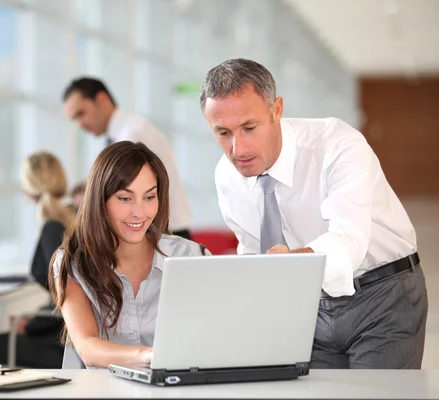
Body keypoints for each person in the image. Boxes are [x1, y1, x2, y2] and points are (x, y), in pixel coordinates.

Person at [199, 58, 428, 369]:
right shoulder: (227, 176)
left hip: (383, 295)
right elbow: (253, 251)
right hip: (309, 305)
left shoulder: (337, 144)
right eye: (222, 133)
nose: (238, 149)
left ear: (276, 110)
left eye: (249, 128)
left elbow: (349, 240)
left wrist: (293, 263)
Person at [48, 141, 210, 369]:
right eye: (125, 198)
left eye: (149, 197)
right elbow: (87, 346)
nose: (139, 212)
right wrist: (149, 356)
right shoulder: (73, 262)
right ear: (100, 200)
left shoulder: (191, 257)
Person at [0, 151, 80, 368]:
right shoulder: (71, 217)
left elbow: (65, 293)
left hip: (59, 344)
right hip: (65, 337)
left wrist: (33, 325)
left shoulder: (52, 227)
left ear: (28, 187)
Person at [62, 77, 193, 240]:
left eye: (81, 114)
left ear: (102, 99)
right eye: (75, 119)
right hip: (158, 233)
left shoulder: (132, 135)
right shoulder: (128, 131)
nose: (80, 124)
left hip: (162, 236)